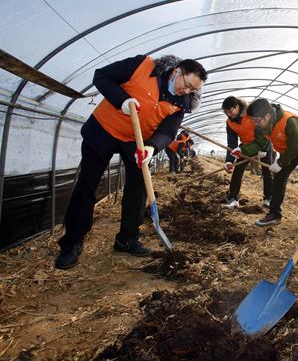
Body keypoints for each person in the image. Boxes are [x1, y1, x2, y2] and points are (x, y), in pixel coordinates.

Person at [54, 55, 207, 269]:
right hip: (103, 130)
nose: (187, 91)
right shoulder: (142, 66)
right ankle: (72, 242)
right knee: (87, 184)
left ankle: (127, 238)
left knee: (139, 186)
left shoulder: (182, 103)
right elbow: (102, 76)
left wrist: (151, 147)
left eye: (193, 90)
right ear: (176, 71)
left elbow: (168, 131)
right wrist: (122, 99)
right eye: (187, 85)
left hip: (136, 141)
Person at [247, 98, 298, 227]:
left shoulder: (289, 120)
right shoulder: (260, 126)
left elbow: (295, 146)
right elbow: (259, 143)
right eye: (253, 120)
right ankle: (274, 214)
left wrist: (280, 163)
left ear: (268, 116)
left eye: (257, 120)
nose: (255, 124)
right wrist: (241, 149)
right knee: (279, 179)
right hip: (288, 151)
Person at [221, 96, 273, 209]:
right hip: (246, 147)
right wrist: (228, 161)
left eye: (230, 111)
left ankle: (268, 198)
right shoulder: (229, 123)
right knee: (238, 170)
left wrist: (264, 149)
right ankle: (233, 199)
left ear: (237, 106)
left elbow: (267, 130)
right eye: (226, 113)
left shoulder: (251, 112)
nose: (229, 114)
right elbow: (232, 143)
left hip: (263, 143)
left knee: (267, 171)